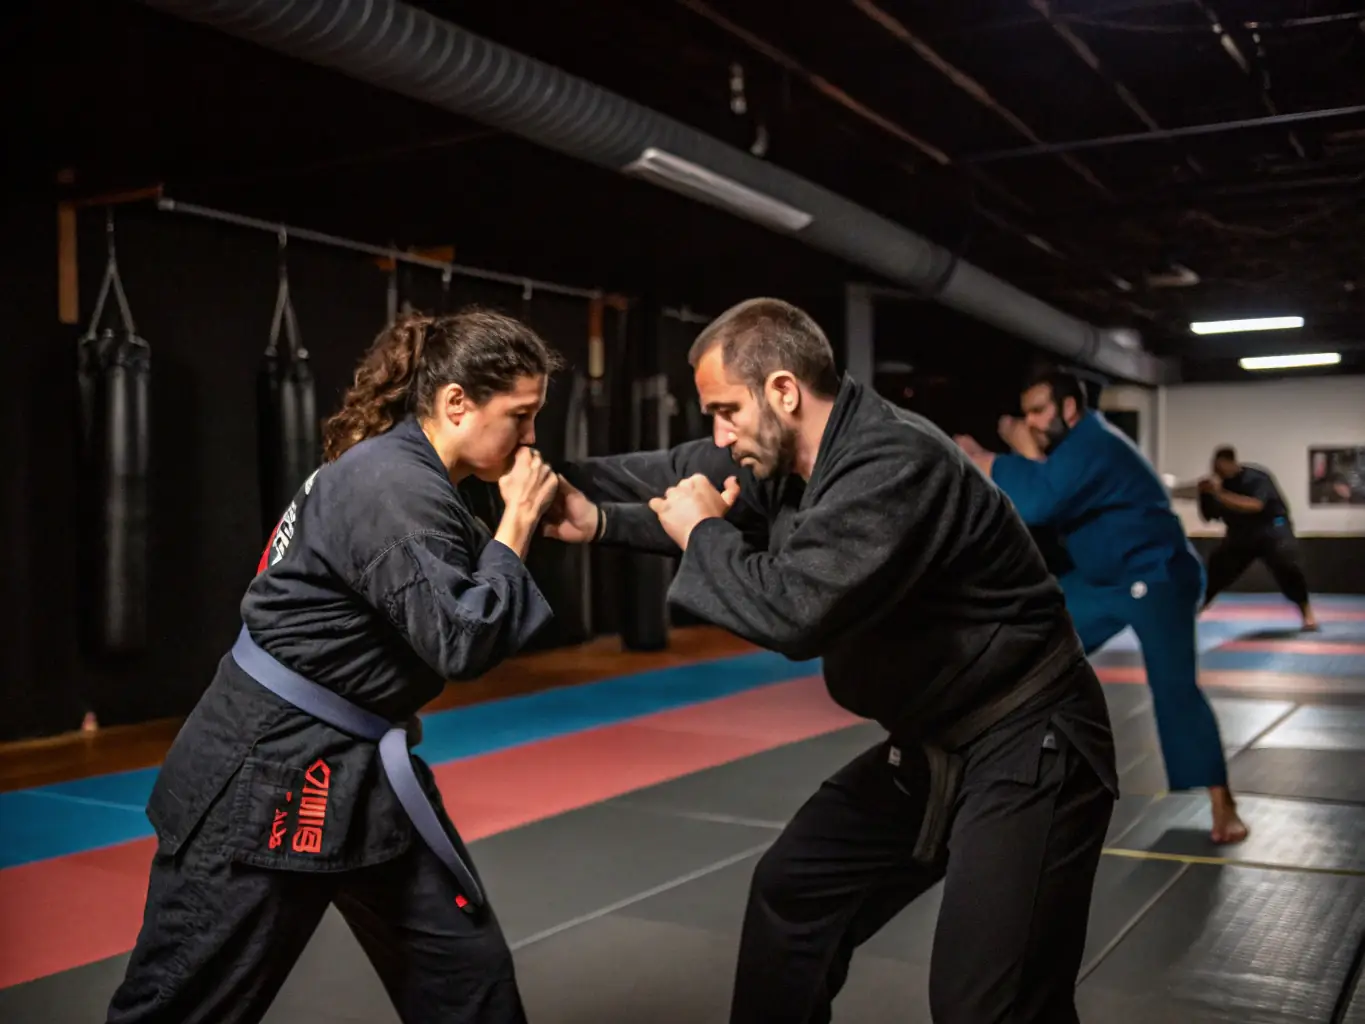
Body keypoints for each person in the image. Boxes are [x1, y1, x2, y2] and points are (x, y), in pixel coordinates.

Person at [543, 298, 1118, 1024]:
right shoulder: (785, 458)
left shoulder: (891, 462)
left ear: (782, 391)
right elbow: (668, 472)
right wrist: (547, 485)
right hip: (933, 742)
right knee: (795, 895)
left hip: (1028, 740)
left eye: (725, 411)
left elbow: (791, 611)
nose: (717, 436)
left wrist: (701, 535)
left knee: (989, 1006)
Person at [105, 309, 563, 1024]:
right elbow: (462, 640)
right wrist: (517, 525)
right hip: (270, 772)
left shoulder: (409, 475)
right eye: (521, 415)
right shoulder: (393, 487)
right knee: (183, 1005)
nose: (531, 436)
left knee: (463, 974)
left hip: (364, 771)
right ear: (455, 404)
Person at [954, 368, 1247, 844]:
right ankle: (1008, 766)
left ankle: (1222, 803)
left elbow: (1037, 501)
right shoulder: (1069, 450)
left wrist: (983, 456)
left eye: (1038, 411)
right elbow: (1042, 476)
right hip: (1103, 580)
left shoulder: (1096, 444)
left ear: (1069, 408)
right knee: (1032, 639)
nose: (1029, 421)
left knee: (1174, 689)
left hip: (1157, 577)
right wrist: (1014, 449)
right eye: (1024, 412)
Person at [1199, 446, 1318, 630]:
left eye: (1219, 466)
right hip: (1240, 534)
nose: (1216, 471)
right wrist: (1204, 495)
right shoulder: (1218, 485)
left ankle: (1307, 613)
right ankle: (1197, 607)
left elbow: (1255, 505)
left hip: (1271, 530)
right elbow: (1209, 517)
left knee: (1286, 565)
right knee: (1217, 567)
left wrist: (1218, 494)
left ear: (1230, 463)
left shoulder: (1256, 478)